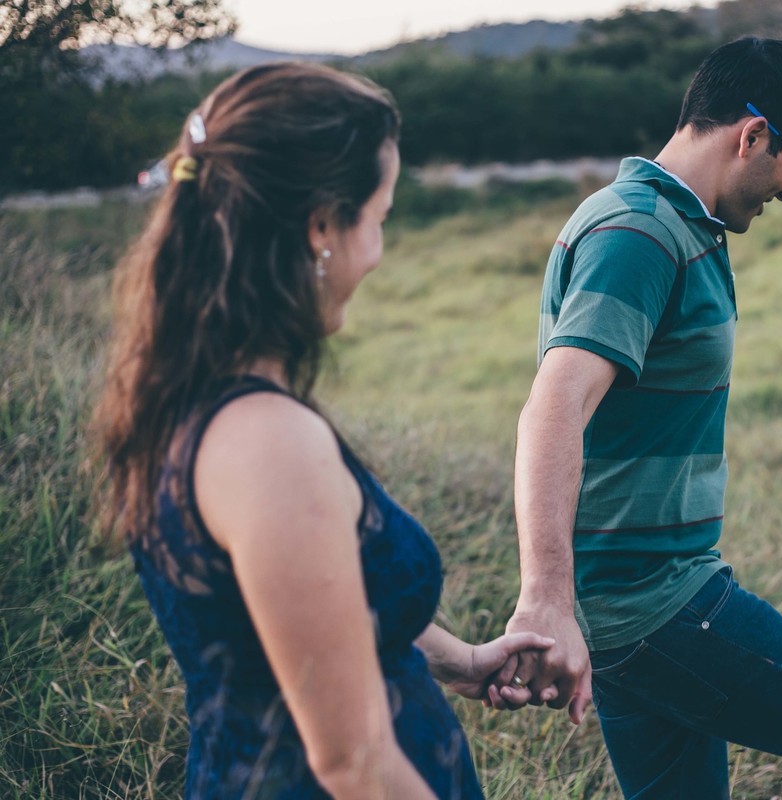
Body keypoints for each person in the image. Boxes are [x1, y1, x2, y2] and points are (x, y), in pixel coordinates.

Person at [92, 62, 549, 800]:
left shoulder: (199, 396)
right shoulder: (267, 445)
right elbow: (354, 762)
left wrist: (460, 661)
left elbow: (301, 610)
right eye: (380, 218)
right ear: (320, 228)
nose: (378, 249)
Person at [495, 38, 782, 798]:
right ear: (752, 135)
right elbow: (554, 405)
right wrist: (545, 601)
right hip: (653, 602)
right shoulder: (639, 234)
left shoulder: (674, 222)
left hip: (633, 603)